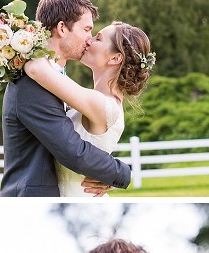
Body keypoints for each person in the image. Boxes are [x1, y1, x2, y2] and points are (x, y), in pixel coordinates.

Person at [0, 0, 132, 197]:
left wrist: (108, 174)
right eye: (87, 29)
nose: (89, 39)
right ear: (62, 28)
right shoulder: (31, 82)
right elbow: (74, 152)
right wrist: (121, 173)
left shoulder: (53, 78)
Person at [23, 21, 153, 197]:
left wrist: (19, 40)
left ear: (115, 58)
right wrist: (114, 174)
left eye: (98, 39)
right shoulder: (94, 100)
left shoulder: (103, 105)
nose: (89, 40)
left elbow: (36, 68)